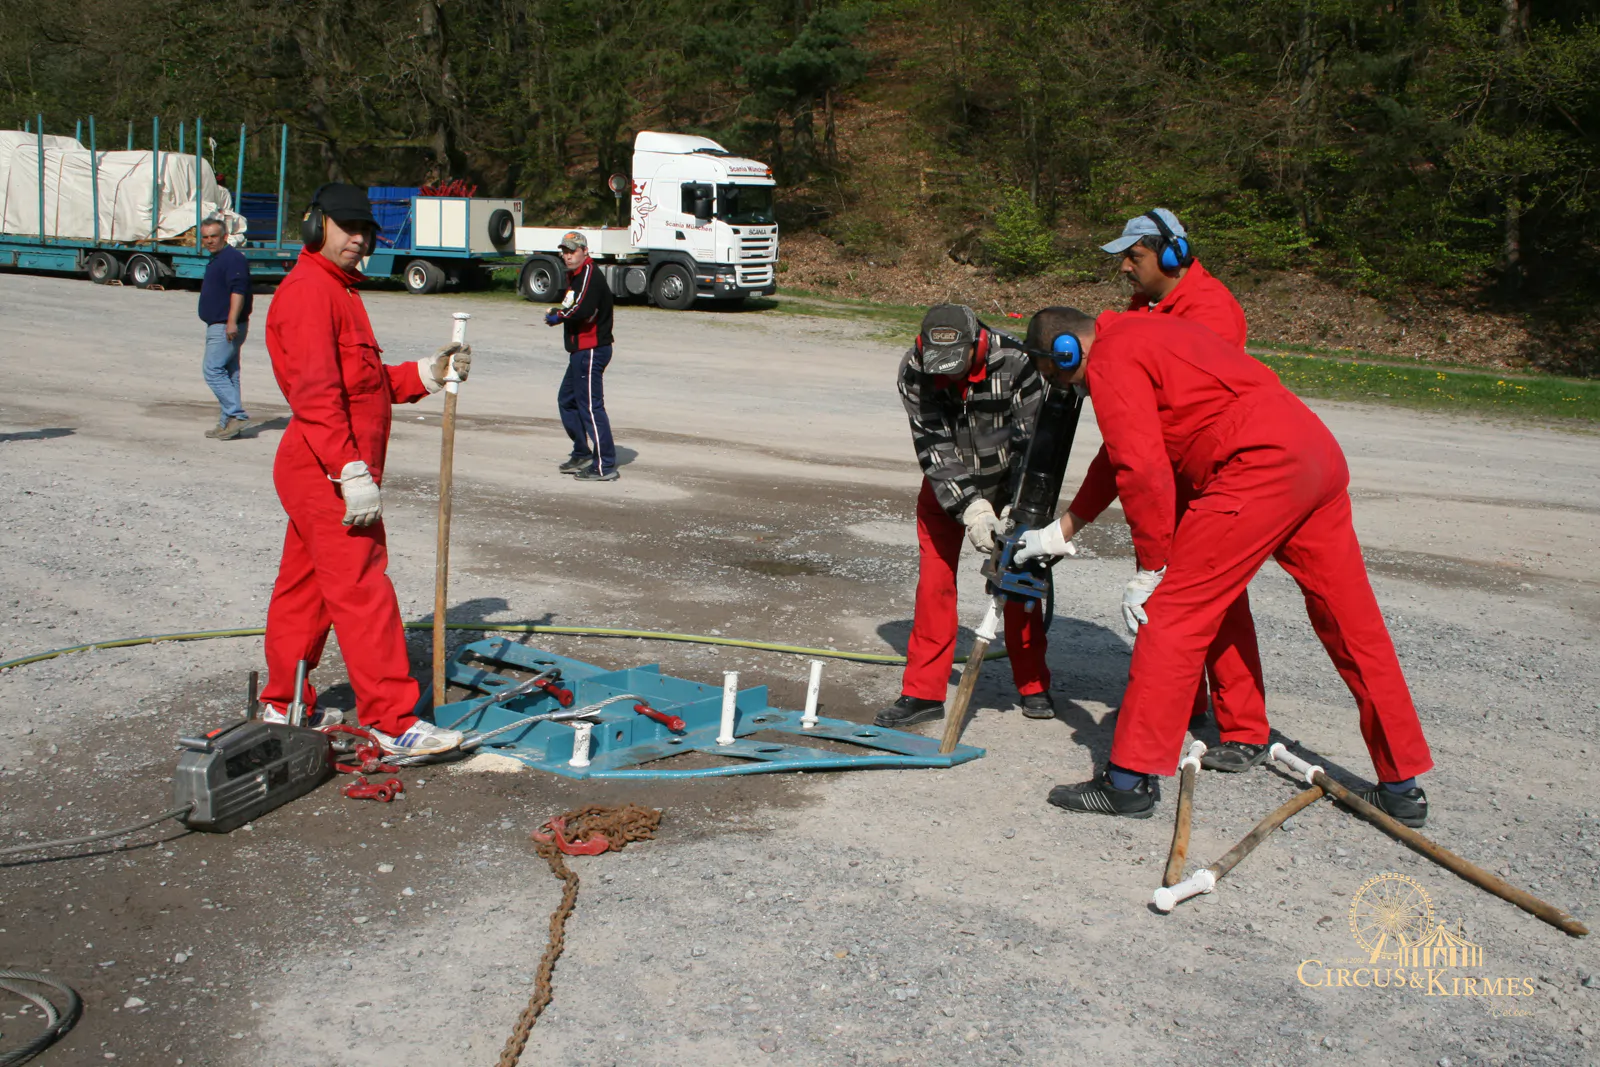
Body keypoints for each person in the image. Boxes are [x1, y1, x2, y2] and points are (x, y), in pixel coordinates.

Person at [1013, 307, 1434, 825]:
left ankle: (1127, 783)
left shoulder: (1111, 357)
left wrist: (1153, 567)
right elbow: (1117, 452)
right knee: (1351, 620)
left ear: (1066, 352)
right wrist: (1063, 530)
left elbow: (1141, 469)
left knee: (1171, 617)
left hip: (1255, 465)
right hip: (1314, 454)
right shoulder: (1146, 332)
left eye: (1059, 376)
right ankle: (1402, 787)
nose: (1070, 389)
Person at [258, 183, 472, 756]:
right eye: (347, 227)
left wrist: (425, 373)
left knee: (307, 587)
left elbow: (364, 383)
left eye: (366, 230)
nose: (358, 239)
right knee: (362, 587)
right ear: (315, 226)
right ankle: (392, 721)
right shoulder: (310, 292)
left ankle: (283, 703)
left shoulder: (339, 289)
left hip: (325, 466)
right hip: (324, 468)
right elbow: (316, 394)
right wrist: (348, 470)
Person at [1092, 208, 1268, 773]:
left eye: (1135, 256)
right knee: (1162, 596)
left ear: (1173, 255)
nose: (1125, 267)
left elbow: (1173, 403)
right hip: (1168, 476)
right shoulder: (1146, 307)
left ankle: (1245, 728)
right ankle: (1179, 703)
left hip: (1215, 475)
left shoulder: (1212, 309)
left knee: (1220, 602)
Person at [875, 303, 1054, 729]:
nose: (948, 376)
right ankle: (923, 693)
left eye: (955, 365)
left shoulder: (1018, 363)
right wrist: (971, 508)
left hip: (1010, 485)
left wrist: (1017, 506)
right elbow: (933, 447)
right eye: (939, 366)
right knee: (934, 586)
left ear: (976, 344)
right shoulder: (914, 370)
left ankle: (1033, 684)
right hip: (946, 488)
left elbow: (1033, 443)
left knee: (1019, 580)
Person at [545, 231, 618, 482]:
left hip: (592, 349)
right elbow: (574, 306)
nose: (567, 256)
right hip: (580, 350)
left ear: (585, 251)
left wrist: (558, 316)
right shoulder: (575, 275)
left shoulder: (588, 273)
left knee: (590, 406)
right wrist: (560, 312)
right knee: (567, 400)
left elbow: (583, 309)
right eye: (564, 251)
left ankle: (604, 464)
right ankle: (582, 452)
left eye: (572, 251)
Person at [197, 217, 253, 440]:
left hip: (225, 326)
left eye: (214, 236)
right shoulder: (218, 259)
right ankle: (227, 423)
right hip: (221, 324)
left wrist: (231, 321)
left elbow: (238, 291)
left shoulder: (233, 259)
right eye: (205, 237)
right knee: (230, 373)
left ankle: (236, 415)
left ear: (225, 237)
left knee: (212, 370)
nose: (209, 241)